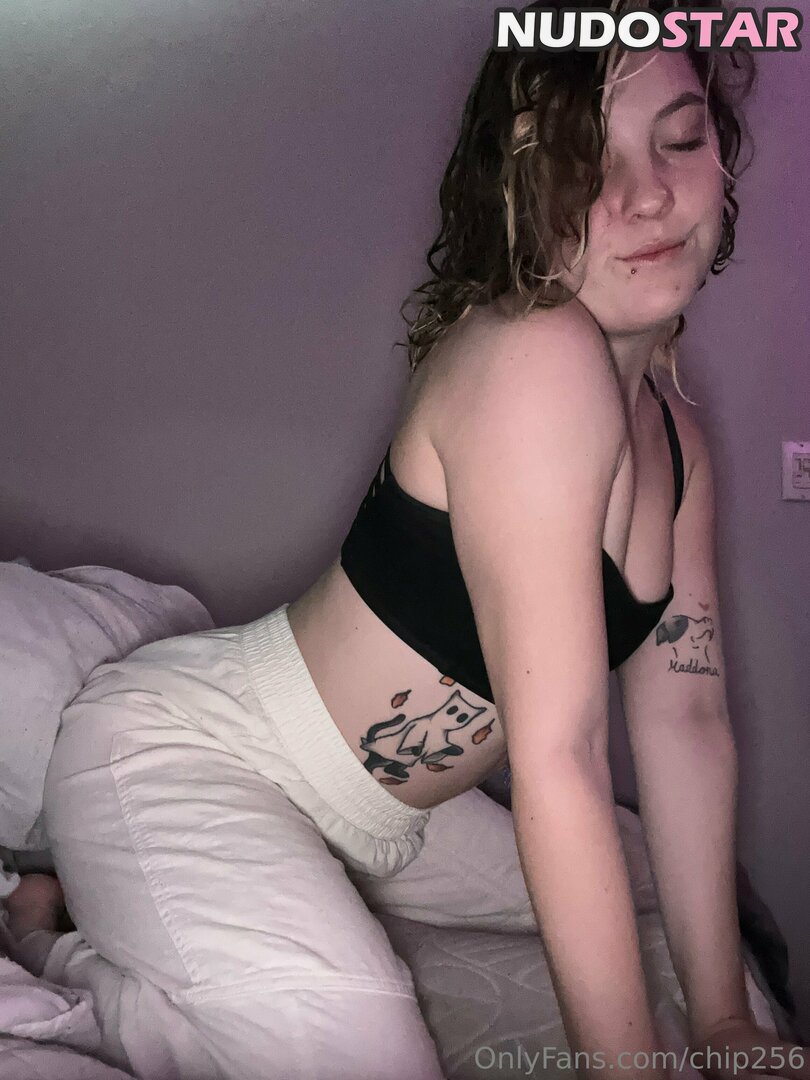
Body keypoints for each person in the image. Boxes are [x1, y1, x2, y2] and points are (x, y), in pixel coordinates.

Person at [5, 2, 807, 1078]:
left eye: (681, 138)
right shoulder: (535, 358)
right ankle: (53, 943)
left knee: (648, 885)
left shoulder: (679, 441)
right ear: (516, 195)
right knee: (369, 1049)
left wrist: (721, 1024)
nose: (645, 194)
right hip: (185, 750)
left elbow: (688, 719)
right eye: (580, 164)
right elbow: (560, 753)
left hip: (388, 819)